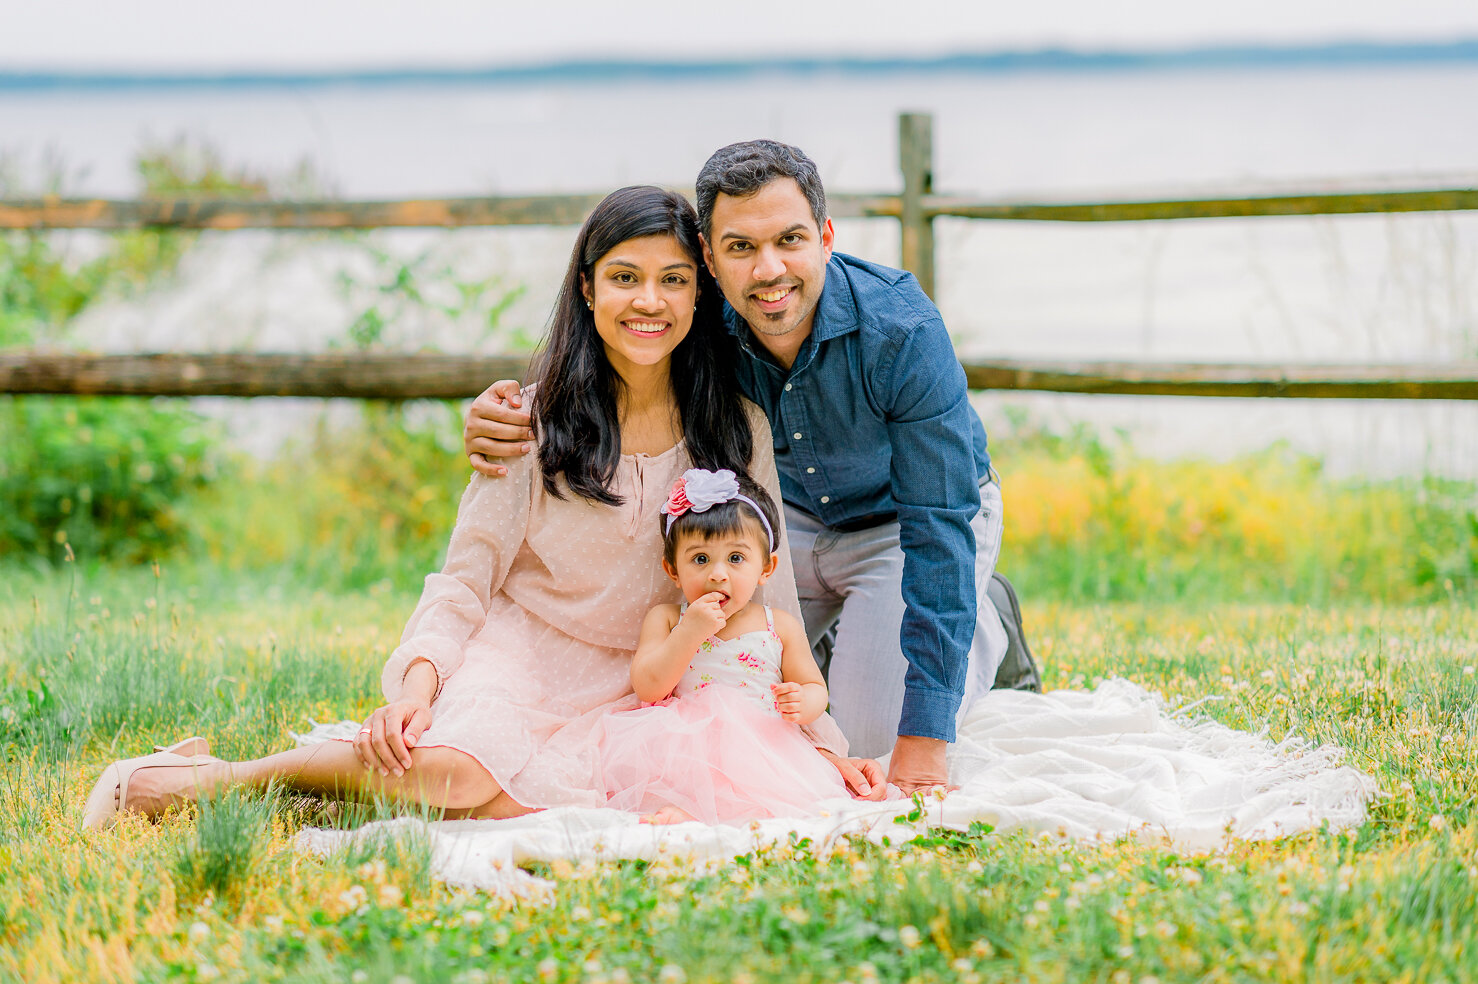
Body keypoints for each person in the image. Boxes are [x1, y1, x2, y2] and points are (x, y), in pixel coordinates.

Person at [81, 185, 882, 832]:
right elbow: (465, 579)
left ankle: (335, 790)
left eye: (674, 280)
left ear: (700, 295)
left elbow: (763, 595)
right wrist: (417, 688)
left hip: (639, 681)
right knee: (464, 770)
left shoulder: (733, 426)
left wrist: (819, 742)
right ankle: (209, 779)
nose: (651, 302)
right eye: (625, 277)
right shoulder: (527, 422)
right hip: (522, 654)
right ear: (587, 286)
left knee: (610, 809)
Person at [464, 140, 1025, 793]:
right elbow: (611, 369)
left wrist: (925, 744)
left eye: (790, 240)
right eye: (740, 248)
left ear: (825, 236)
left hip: (903, 528)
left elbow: (941, 526)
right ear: (708, 255)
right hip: (780, 527)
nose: (768, 269)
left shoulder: (901, 331)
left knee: (866, 742)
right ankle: (858, 633)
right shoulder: (700, 321)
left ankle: (983, 620)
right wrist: (507, 407)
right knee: (720, 695)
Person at [598, 468, 852, 825]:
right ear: (673, 570)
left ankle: (722, 815)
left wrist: (804, 702)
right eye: (700, 559)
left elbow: (814, 688)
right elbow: (649, 688)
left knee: (774, 797)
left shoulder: (778, 625)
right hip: (684, 741)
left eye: (735, 558)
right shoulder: (668, 618)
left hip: (762, 742)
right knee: (677, 779)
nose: (718, 574)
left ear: (766, 568)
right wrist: (690, 631)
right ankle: (688, 810)